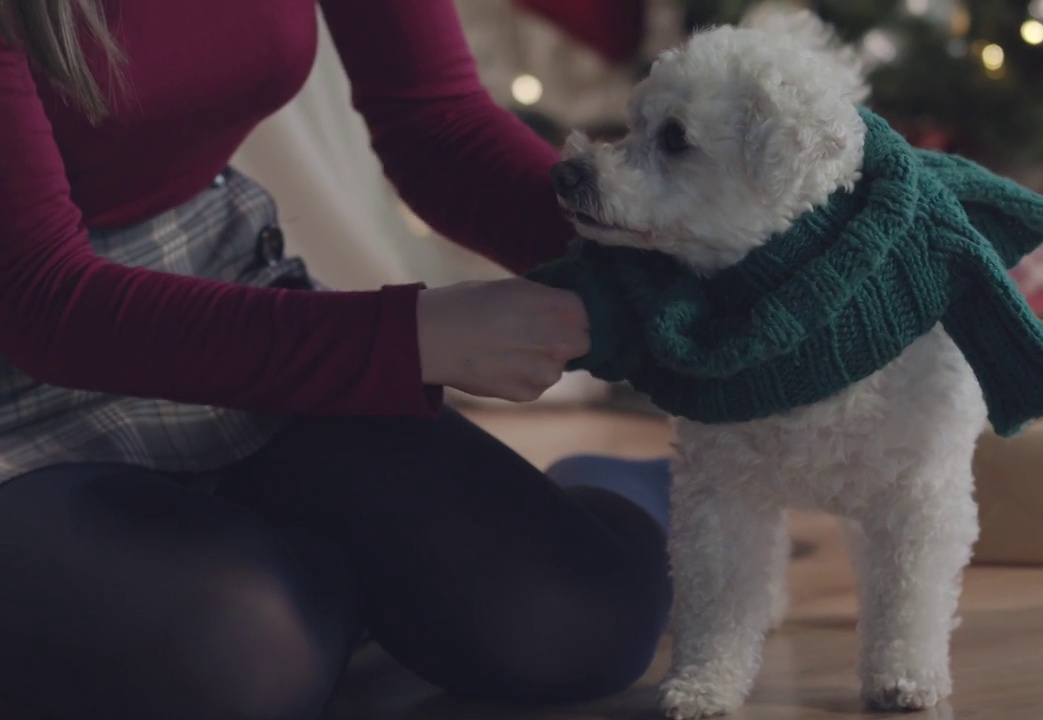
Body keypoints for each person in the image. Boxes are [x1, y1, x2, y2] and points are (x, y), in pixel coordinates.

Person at [0, 1, 675, 719]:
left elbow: (437, 124)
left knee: (572, 619)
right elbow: (45, 301)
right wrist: (408, 339)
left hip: (216, 289)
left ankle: (618, 488)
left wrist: (655, 275)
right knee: (241, 657)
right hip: (25, 376)